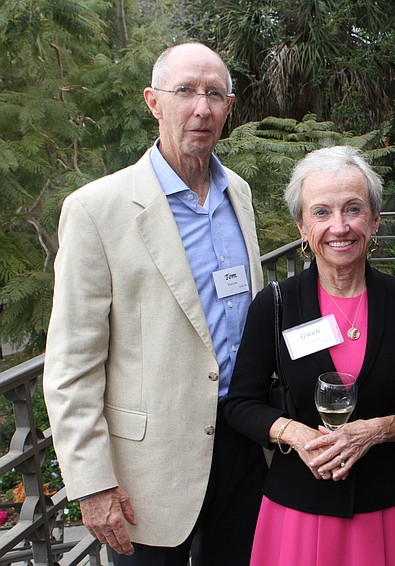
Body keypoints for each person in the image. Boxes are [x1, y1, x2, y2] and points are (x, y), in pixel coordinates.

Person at [43, 43, 266, 564]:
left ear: (229, 107)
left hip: (244, 444)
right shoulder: (96, 209)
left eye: (215, 94)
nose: (201, 108)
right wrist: (92, 483)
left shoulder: (238, 193)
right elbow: (72, 363)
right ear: (153, 102)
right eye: (185, 91)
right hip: (150, 472)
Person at [223, 145, 395, 566]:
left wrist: (374, 430)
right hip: (298, 512)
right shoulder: (276, 304)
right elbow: (240, 403)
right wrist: (296, 435)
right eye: (321, 212)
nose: (339, 226)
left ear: (374, 221)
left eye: (353, 209)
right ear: (302, 227)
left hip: (384, 507)